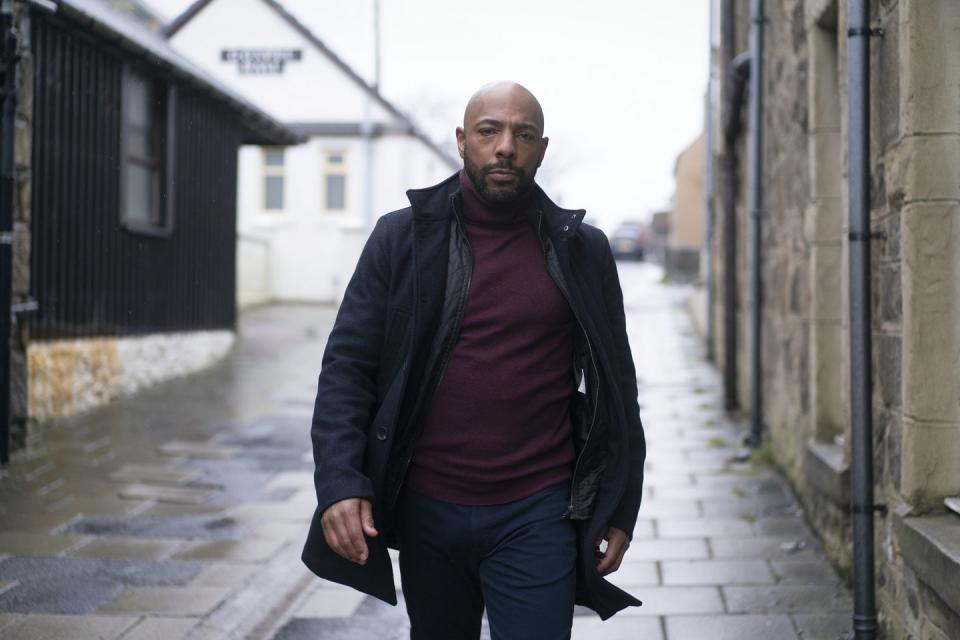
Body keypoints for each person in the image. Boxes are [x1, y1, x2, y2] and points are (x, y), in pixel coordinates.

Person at [301, 81, 646, 639]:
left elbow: (618, 387)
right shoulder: (402, 239)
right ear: (463, 140)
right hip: (426, 512)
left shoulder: (583, 250)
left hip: (538, 511)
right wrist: (340, 481)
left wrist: (620, 504)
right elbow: (347, 369)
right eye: (489, 131)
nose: (505, 146)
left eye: (523, 134)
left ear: (541, 148)